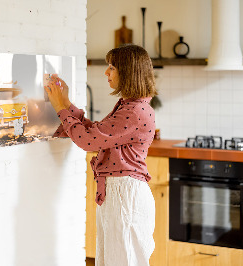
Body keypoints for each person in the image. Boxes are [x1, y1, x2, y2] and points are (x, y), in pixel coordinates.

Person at [45, 44, 157, 266]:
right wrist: (66, 103)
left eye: (112, 67)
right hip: (120, 193)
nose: (106, 72)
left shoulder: (134, 111)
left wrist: (60, 107)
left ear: (128, 72)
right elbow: (96, 133)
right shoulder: (130, 106)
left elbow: (88, 141)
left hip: (125, 195)